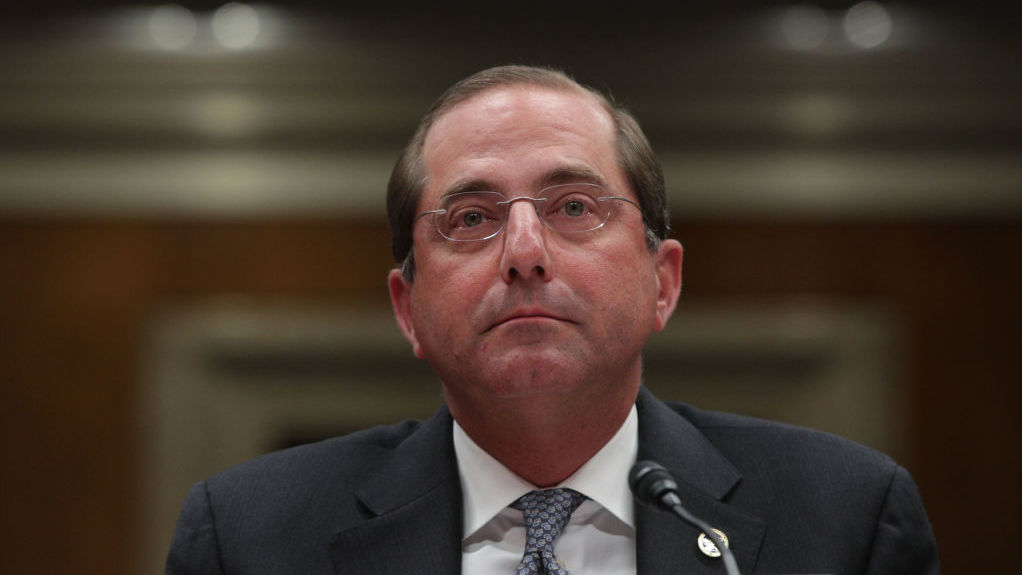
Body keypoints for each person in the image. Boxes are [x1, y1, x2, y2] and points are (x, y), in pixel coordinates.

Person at [165, 65, 939, 575]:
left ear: (662, 282)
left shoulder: (847, 519)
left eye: (574, 206)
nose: (525, 252)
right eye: (471, 217)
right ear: (409, 310)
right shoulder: (248, 538)